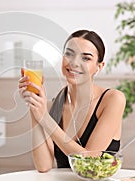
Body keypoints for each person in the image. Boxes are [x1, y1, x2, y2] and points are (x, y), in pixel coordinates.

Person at [18, 30, 126, 172]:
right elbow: (43, 166)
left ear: (99, 67)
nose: (74, 63)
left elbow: (89, 160)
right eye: (69, 54)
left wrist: (44, 117)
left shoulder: (113, 99)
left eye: (86, 58)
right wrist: (34, 105)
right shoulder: (57, 103)